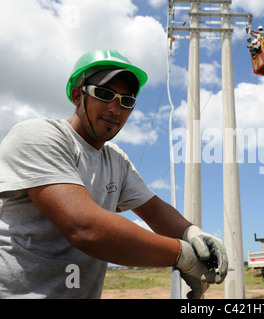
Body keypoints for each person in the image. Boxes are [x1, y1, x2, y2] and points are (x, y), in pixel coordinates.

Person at [0, 49, 228, 299]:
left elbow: (153, 210)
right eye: (105, 94)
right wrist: (180, 254)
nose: (115, 109)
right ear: (78, 95)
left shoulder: (116, 160)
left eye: (126, 101)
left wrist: (191, 233)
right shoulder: (38, 136)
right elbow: (85, 228)